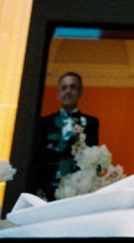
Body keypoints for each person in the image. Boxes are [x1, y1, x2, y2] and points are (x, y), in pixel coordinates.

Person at [30, 71, 100, 199]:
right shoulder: (44, 123)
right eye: (64, 87)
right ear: (58, 93)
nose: (68, 91)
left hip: (78, 188)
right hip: (46, 188)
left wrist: (54, 149)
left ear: (80, 92)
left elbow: (90, 153)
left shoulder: (91, 123)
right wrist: (71, 149)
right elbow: (38, 155)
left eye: (73, 87)